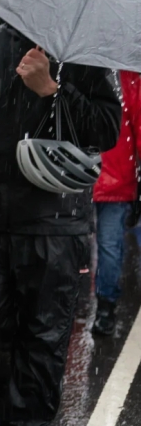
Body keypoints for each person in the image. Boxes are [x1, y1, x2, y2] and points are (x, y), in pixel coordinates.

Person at [0, 21, 120, 424]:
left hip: (55, 228)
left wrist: (53, 91)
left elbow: (106, 130)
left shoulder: (85, 49)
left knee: (41, 350)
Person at [92, 71, 141, 336]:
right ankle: (105, 309)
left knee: (67, 245)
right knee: (109, 246)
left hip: (76, 175)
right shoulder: (128, 79)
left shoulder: (76, 70)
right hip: (118, 179)